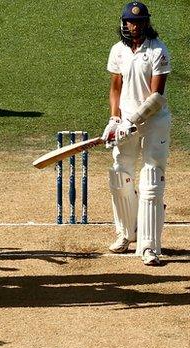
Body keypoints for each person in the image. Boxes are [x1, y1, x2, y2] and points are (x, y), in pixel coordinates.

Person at [100, 1, 171, 266]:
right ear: (124, 23)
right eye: (132, 21)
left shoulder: (158, 50)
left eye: (141, 22)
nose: (136, 25)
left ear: (147, 23)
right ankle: (125, 234)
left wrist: (134, 120)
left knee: (151, 177)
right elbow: (115, 88)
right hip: (125, 121)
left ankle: (150, 247)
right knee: (120, 172)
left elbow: (157, 96)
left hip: (154, 122)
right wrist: (114, 118)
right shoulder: (118, 50)